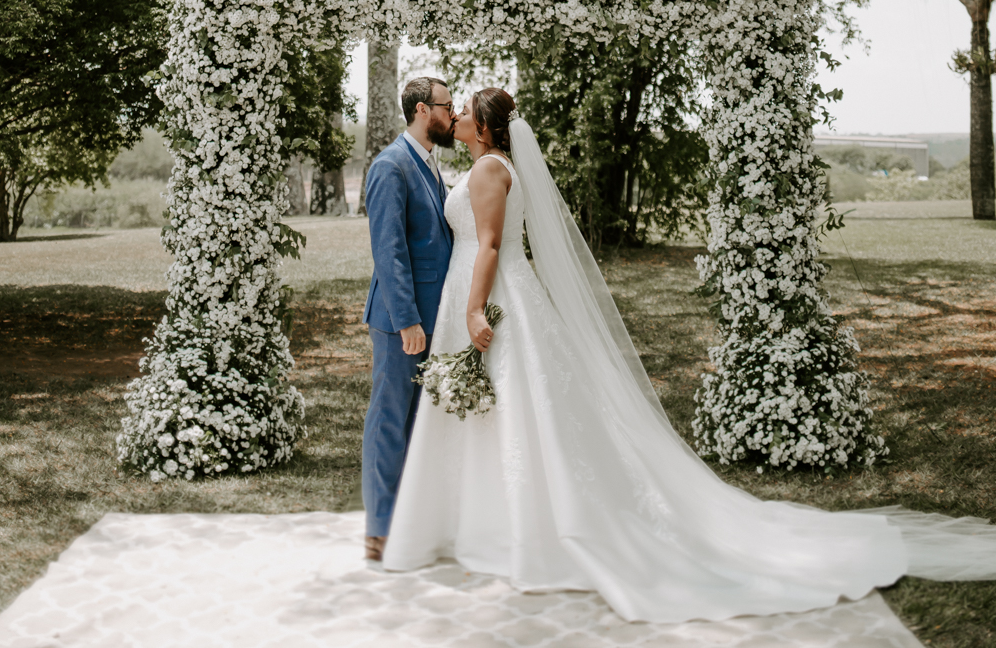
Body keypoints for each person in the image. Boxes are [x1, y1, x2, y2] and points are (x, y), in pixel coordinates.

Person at [384, 88, 996, 623]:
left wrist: (472, 310)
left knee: (519, 407)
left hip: (491, 299)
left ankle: (525, 531)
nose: (457, 117)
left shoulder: (491, 170)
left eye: (465, 112)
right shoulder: (477, 166)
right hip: (473, 296)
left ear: (485, 128)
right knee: (496, 411)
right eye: (453, 110)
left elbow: (489, 242)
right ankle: (476, 521)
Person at [361, 76, 456, 561]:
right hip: (403, 321)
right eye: (447, 104)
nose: (453, 113)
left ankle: (411, 522)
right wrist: (408, 321)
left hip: (434, 317)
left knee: (421, 423)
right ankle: (379, 531)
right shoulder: (390, 166)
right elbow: (390, 252)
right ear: (423, 110)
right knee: (390, 420)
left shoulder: (430, 164)